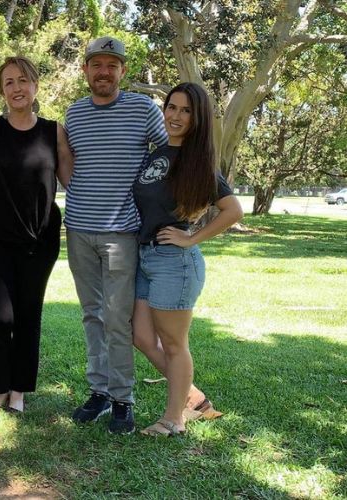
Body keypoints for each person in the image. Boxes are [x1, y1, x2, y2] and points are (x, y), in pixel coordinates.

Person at [65, 36, 167, 434]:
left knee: (117, 319)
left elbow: (167, 158)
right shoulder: (74, 114)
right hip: (77, 229)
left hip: (122, 232)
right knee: (92, 314)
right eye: (97, 64)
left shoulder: (144, 109)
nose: (104, 71)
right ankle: (99, 391)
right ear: (86, 70)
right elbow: (71, 164)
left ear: (123, 71)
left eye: (112, 65)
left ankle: (123, 398)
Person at [132, 82, 243, 436]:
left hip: (174, 263)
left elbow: (233, 210)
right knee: (142, 337)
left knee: (176, 344)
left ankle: (174, 420)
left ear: (197, 119)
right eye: (171, 107)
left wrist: (192, 237)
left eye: (185, 111)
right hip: (146, 256)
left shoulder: (197, 162)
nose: (175, 116)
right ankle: (193, 399)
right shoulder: (156, 152)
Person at [0, 56, 72, 414]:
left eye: (24, 81)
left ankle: (19, 391)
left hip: (39, 241)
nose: (17, 88)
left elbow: (71, 181)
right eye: (10, 82)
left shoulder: (54, 131)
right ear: (2, 90)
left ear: (36, 87)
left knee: (29, 314)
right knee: (0, 317)